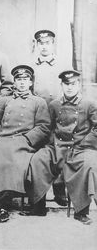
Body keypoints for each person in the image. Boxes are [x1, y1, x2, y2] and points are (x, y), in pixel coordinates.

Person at [0, 65, 50, 222]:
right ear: (14, 82)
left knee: (17, 159)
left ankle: (3, 202)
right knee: (0, 156)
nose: (22, 83)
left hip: (25, 141)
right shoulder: (4, 100)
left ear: (30, 82)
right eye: (19, 80)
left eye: (25, 79)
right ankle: (2, 202)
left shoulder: (39, 102)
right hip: (4, 140)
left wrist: (28, 139)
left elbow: (43, 127)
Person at [48, 70, 97, 224]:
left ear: (79, 85)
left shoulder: (89, 104)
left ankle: (81, 210)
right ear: (61, 85)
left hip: (83, 146)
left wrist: (85, 142)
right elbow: (49, 127)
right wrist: (54, 143)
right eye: (66, 84)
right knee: (45, 159)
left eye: (73, 84)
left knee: (90, 164)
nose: (69, 87)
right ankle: (55, 194)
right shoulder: (54, 105)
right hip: (60, 146)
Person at [32, 29, 68, 206]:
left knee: (58, 149)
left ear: (53, 44)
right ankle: (39, 193)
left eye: (47, 43)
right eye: (41, 43)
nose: (44, 46)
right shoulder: (32, 64)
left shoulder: (61, 64)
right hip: (38, 114)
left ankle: (59, 189)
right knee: (40, 150)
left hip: (57, 112)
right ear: (37, 45)